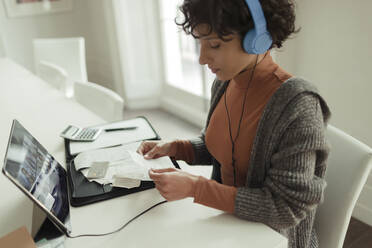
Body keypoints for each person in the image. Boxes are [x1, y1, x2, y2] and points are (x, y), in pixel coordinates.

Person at [137, 0, 331, 247]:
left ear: (257, 38)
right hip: (226, 225)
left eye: (214, 45)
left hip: (270, 240)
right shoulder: (225, 82)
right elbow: (224, 150)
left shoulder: (298, 106)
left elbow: (285, 208)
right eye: (200, 43)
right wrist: (177, 147)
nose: (202, 58)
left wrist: (197, 188)